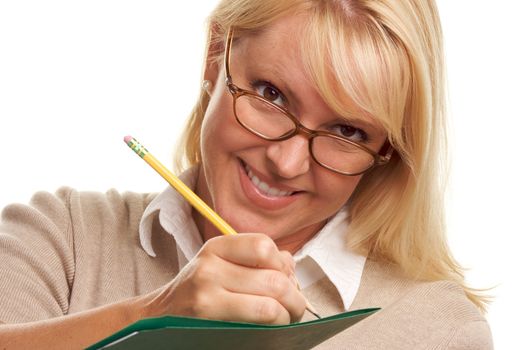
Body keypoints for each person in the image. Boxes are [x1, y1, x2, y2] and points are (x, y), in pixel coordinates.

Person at [0, 0, 493, 349]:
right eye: (272, 94)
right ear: (217, 55)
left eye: (348, 131)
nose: (288, 163)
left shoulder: (441, 332)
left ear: (387, 149)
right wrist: (149, 320)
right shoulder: (61, 239)